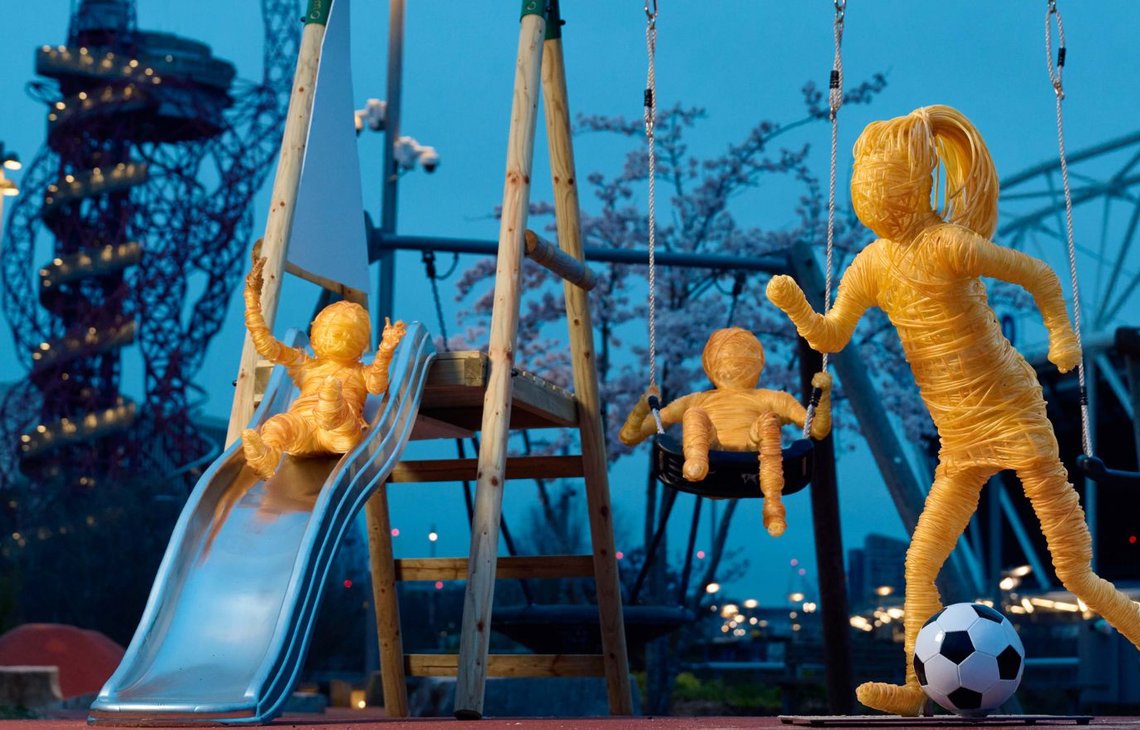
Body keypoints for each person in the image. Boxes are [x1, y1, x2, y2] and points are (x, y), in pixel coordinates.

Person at [767, 104, 1140, 716]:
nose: (874, 201)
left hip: (1015, 416)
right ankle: (915, 692)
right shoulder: (872, 265)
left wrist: (1062, 337)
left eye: (886, 189)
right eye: (866, 191)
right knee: (919, 565)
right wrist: (801, 312)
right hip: (959, 438)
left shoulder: (949, 245)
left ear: (918, 188)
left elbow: (1041, 276)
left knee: (1074, 572)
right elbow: (832, 337)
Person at [620, 327, 831, 537]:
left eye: (743, 357)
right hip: (711, 458)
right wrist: (643, 405)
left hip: (754, 459)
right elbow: (629, 436)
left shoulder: (774, 399)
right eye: (729, 358)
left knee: (768, 421)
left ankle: (773, 507)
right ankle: (696, 462)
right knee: (694, 414)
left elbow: (818, 430)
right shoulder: (698, 400)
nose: (736, 363)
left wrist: (824, 394)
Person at [240, 254, 405, 480]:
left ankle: (331, 408)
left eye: (344, 335)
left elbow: (377, 386)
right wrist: (252, 299)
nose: (334, 338)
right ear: (315, 335)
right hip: (303, 428)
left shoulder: (359, 370)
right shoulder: (304, 364)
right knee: (277, 425)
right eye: (327, 332)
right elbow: (267, 346)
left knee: (342, 418)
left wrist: (385, 351)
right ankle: (267, 456)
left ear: (359, 346)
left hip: (340, 435)